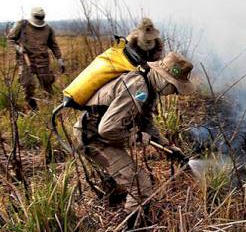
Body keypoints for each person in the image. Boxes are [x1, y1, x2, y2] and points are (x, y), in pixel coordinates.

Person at [73, 52, 195, 214]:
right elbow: (108, 129)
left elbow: (146, 123)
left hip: (101, 136)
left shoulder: (148, 85)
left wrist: (168, 146)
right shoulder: (139, 88)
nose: (174, 92)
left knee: (127, 176)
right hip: (93, 138)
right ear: (164, 78)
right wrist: (136, 137)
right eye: (174, 87)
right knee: (140, 184)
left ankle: (114, 202)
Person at [7, 7, 65, 110]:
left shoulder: (48, 29)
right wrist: (18, 48)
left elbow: (54, 45)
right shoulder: (22, 25)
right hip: (26, 60)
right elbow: (10, 39)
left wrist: (59, 59)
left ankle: (50, 108)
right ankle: (32, 108)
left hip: (43, 60)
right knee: (27, 84)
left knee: (47, 84)